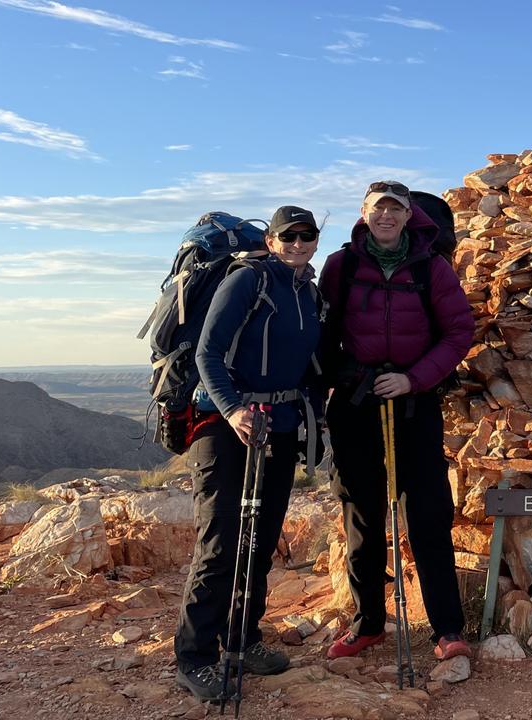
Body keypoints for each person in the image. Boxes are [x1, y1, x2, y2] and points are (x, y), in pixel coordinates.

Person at [319, 180, 474, 662]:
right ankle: (367, 624)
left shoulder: (433, 268)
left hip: (414, 403)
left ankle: (447, 628)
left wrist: (414, 379)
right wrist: (331, 385)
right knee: (362, 517)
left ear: (409, 216)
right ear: (364, 214)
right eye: (377, 208)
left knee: (428, 513)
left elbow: (459, 331)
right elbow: (323, 334)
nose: (386, 216)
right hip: (355, 402)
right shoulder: (341, 266)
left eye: (395, 209)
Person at [174, 206, 324, 701]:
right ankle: (194, 657)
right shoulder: (248, 279)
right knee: (221, 540)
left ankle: (243, 640)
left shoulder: (308, 291)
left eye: (308, 235)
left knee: (260, 539)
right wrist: (235, 410)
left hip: (278, 425)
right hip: (225, 425)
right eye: (289, 235)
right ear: (273, 239)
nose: (299, 243)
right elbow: (208, 354)